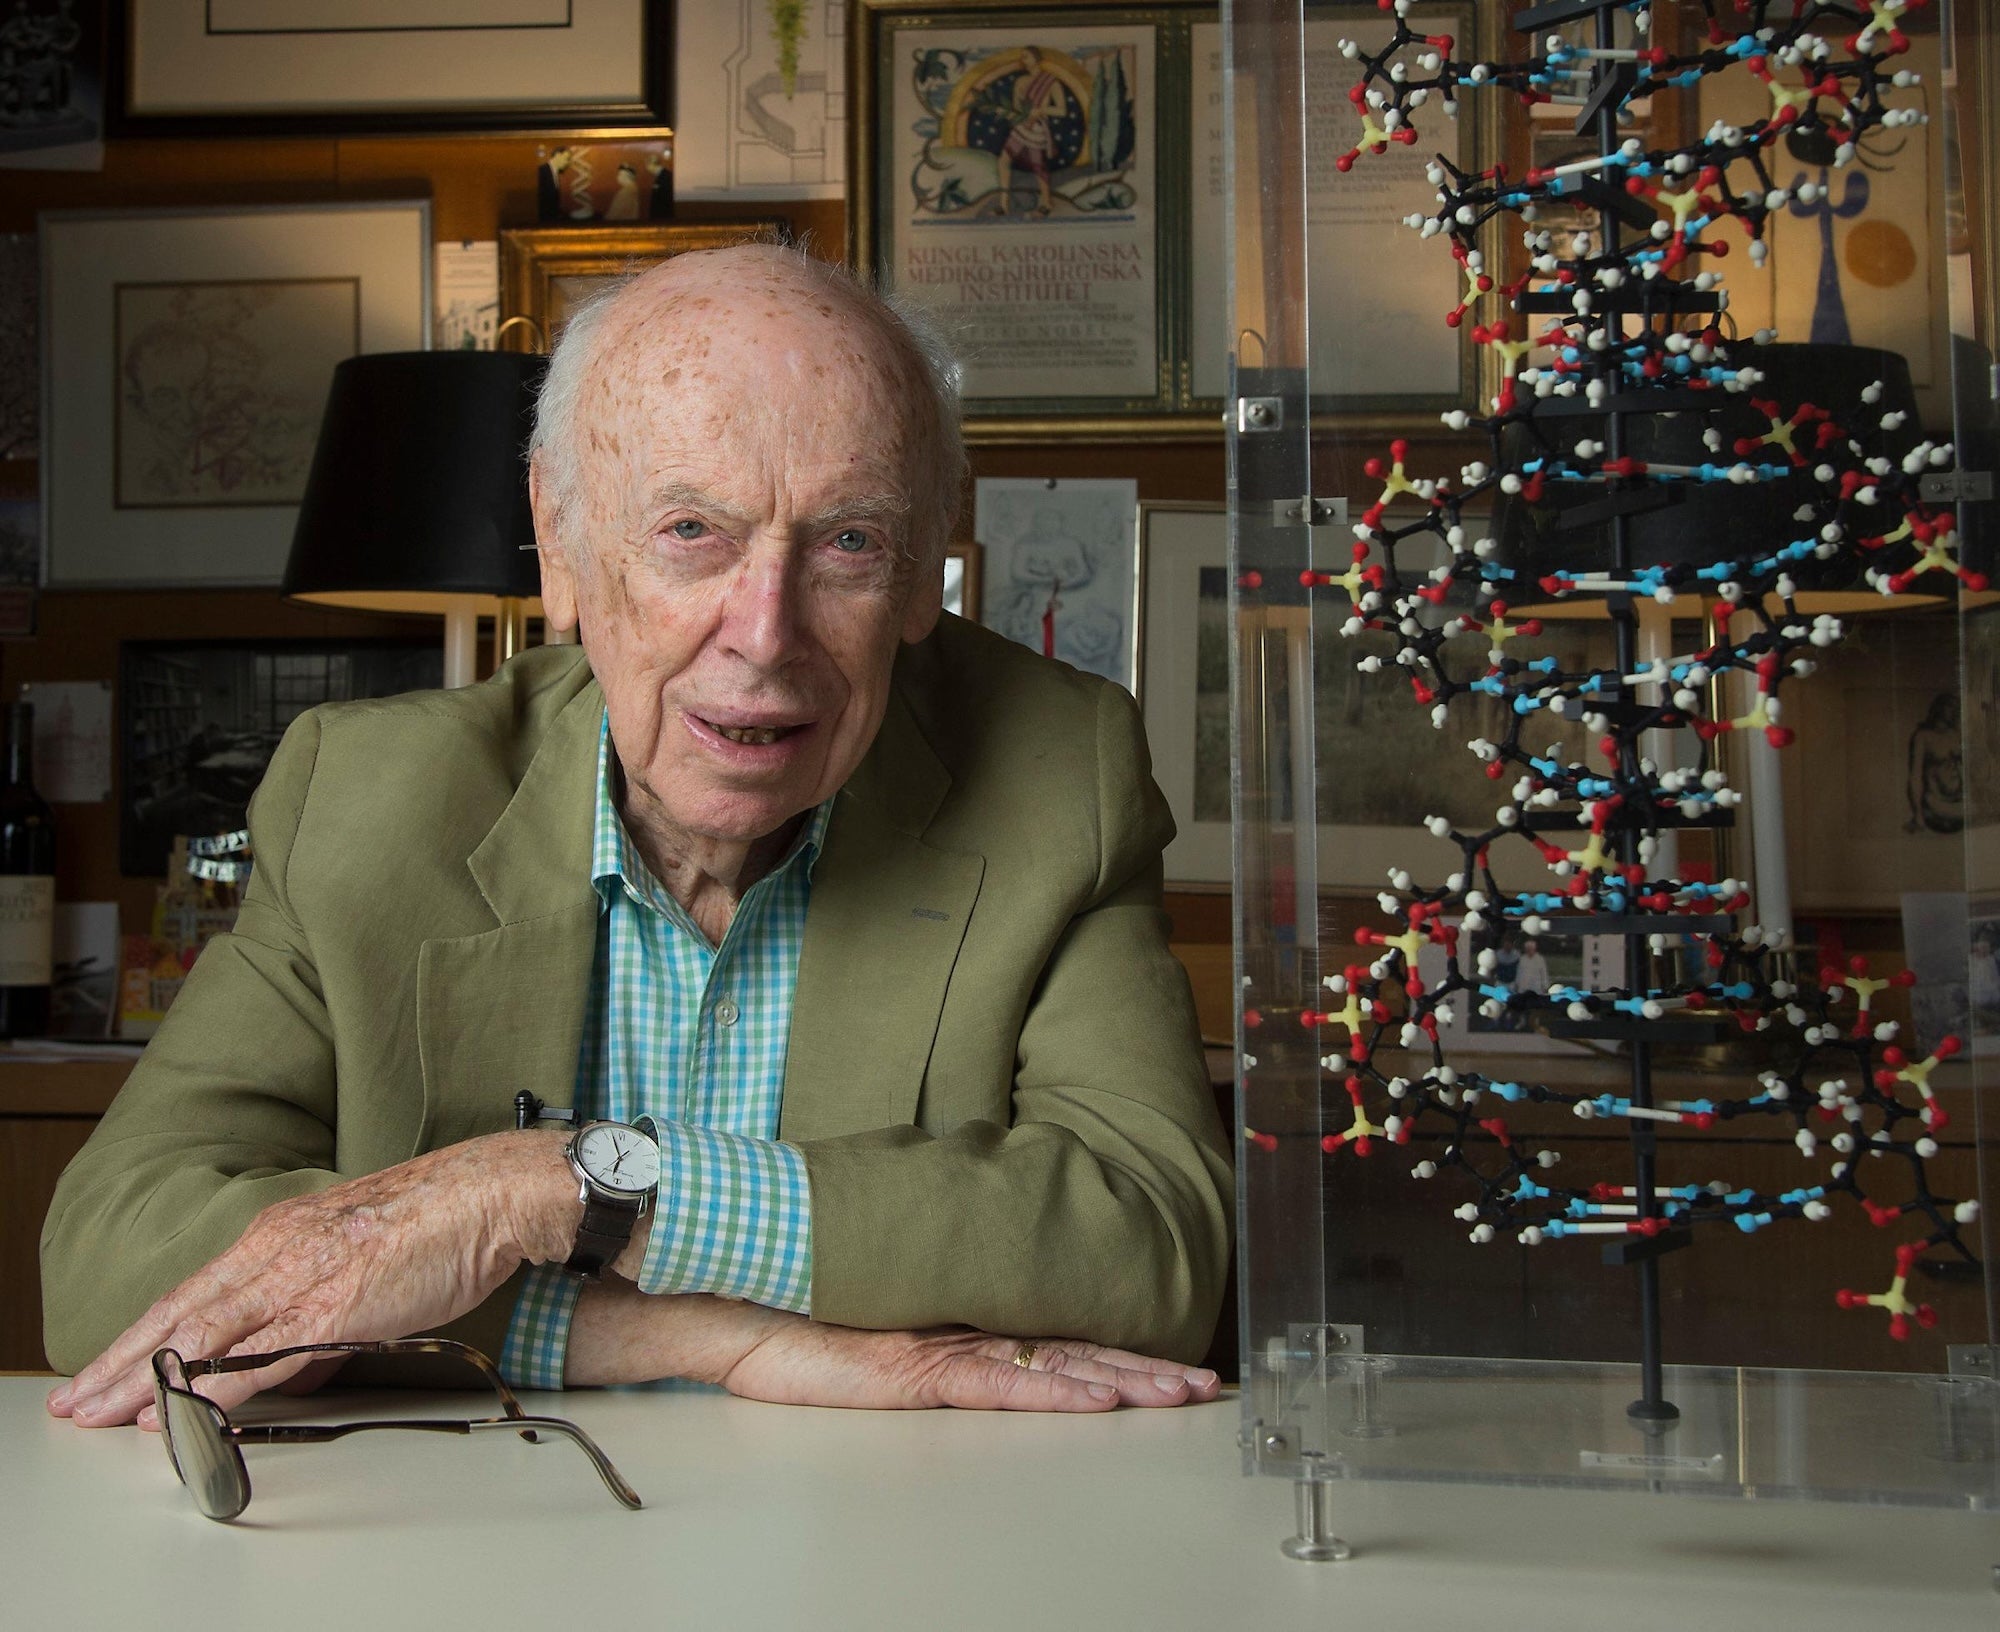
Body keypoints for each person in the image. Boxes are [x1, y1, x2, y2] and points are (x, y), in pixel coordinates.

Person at [42, 244, 1232, 1430]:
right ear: (559, 545)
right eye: (690, 531)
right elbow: (105, 1267)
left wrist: (554, 1189)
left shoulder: (1054, 773)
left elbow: (1155, 1252)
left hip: (885, 1523)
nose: (763, 635)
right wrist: (714, 1341)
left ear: (923, 571)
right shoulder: (364, 796)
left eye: (849, 543)